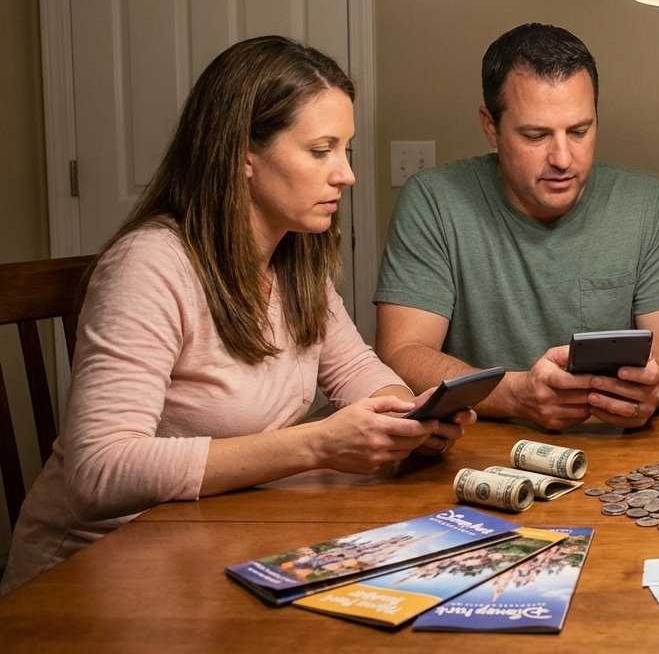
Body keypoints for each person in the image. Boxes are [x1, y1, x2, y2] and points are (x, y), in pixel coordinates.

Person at [1, 36, 465, 596]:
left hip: (218, 540)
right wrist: (316, 445)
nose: (346, 174)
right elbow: (100, 470)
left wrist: (408, 419)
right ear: (243, 153)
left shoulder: (296, 257)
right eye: (321, 150)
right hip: (97, 570)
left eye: (346, 149)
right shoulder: (149, 266)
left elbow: (354, 372)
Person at [374, 24, 659, 432]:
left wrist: (658, 383)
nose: (563, 157)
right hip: (474, 448)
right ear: (490, 126)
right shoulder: (434, 201)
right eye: (535, 135)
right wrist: (515, 393)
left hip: (613, 448)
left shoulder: (646, 201)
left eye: (579, 131)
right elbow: (401, 352)